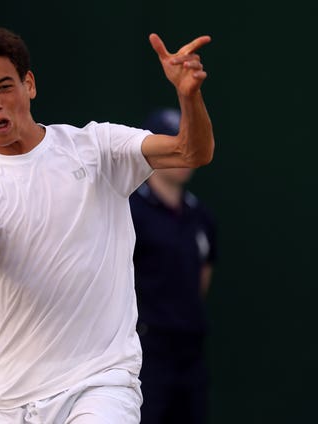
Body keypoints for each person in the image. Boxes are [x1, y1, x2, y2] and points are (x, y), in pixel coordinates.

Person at [0, 26, 214, 423]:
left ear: (29, 85)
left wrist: (189, 96)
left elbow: (193, 151)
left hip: (103, 382)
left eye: (5, 86)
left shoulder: (97, 148)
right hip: (17, 398)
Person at [130, 107, 217, 424]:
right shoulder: (130, 211)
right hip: (144, 352)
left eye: (188, 142)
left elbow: (202, 278)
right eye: (175, 143)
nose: (184, 152)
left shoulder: (201, 217)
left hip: (190, 351)